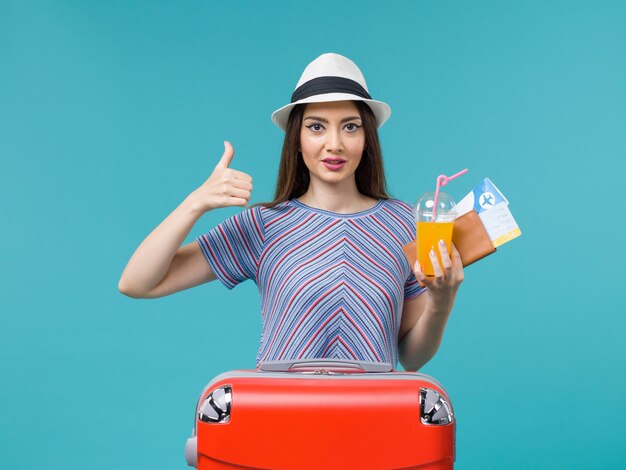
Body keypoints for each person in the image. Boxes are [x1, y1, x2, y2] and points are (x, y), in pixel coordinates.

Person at [118, 53, 464, 371]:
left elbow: (411, 357)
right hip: (280, 422)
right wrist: (197, 202)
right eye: (316, 126)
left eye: (350, 126)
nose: (335, 143)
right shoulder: (264, 226)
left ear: (367, 137)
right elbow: (137, 282)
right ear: (296, 139)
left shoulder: (403, 223)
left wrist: (442, 301)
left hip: (373, 421)